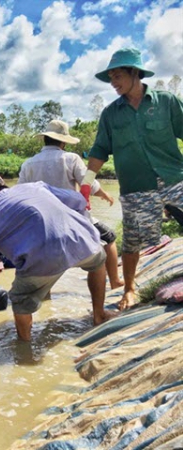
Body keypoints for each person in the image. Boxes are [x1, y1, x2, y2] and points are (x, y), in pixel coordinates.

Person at [0, 173, 116, 341]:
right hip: (82, 241)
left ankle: (25, 349)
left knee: (20, 300)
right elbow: (77, 200)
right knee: (98, 261)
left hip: (43, 259)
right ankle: (99, 315)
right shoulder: (35, 186)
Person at [81, 48, 183, 310]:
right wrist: (85, 185)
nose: (113, 83)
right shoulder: (111, 114)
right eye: (111, 78)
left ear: (135, 73)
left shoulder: (166, 101)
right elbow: (99, 151)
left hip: (174, 177)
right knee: (132, 240)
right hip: (136, 186)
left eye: (117, 76)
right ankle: (129, 288)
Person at [18, 119, 123, 289]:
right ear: (63, 142)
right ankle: (115, 281)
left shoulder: (28, 164)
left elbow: (21, 195)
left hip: (43, 224)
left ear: (45, 139)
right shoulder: (71, 159)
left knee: (44, 270)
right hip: (73, 220)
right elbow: (89, 184)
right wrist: (105, 195)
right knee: (109, 237)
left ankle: (46, 301)